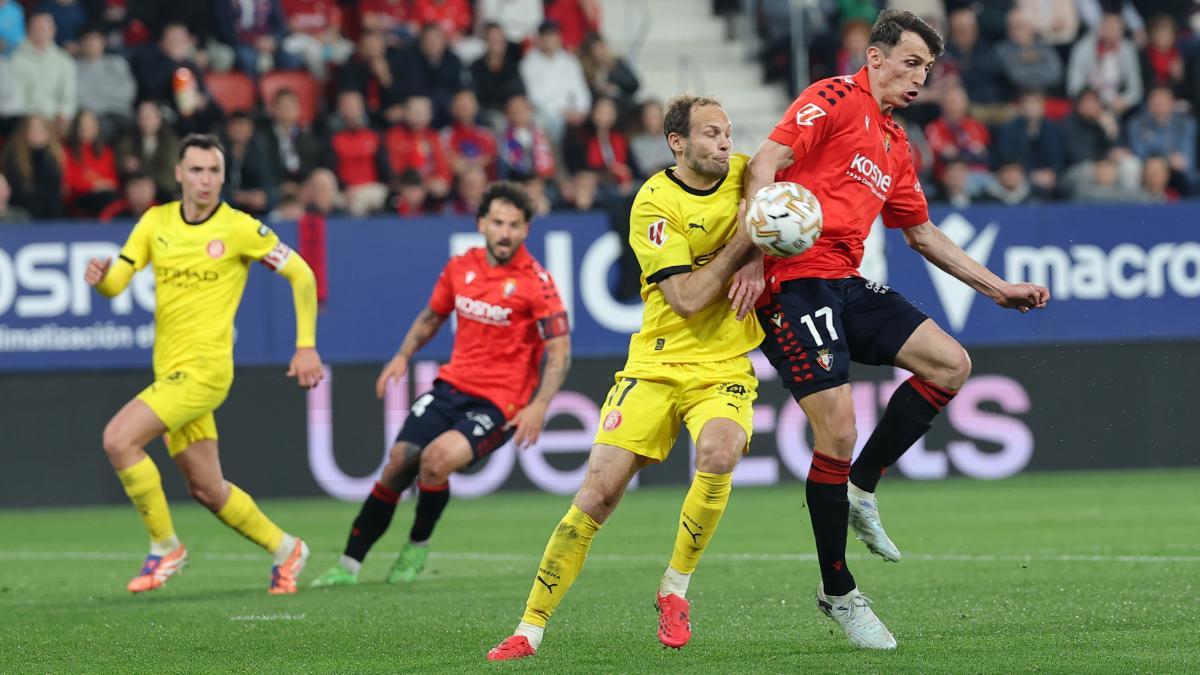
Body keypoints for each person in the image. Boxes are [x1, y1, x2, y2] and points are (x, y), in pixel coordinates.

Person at [743, 9, 1050, 650]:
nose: (920, 79)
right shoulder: (832, 97)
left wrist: (997, 289)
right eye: (911, 63)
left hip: (846, 282)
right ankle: (838, 591)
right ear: (875, 56)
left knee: (951, 363)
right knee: (839, 429)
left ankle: (862, 488)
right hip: (793, 283)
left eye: (928, 70)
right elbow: (765, 163)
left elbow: (920, 232)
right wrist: (753, 252)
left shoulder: (896, 143)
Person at [488, 94, 766, 661]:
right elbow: (686, 298)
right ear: (677, 143)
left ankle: (675, 588)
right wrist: (747, 241)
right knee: (598, 493)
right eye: (711, 133)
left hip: (723, 365)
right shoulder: (653, 203)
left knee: (721, 449)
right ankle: (530, 628)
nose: (725, 142)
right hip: (657, 364)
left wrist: (763, 255)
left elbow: (784, 189)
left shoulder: (748, 176)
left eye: (728, 132)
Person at [84, 134, 325, 594]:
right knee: (208, 489)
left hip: (206, 372)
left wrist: (306, 345)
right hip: (170, 373)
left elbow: (302, 273)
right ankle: (286, 548)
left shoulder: (239, 228)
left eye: (214, 171)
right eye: (196, 170)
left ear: (223, 177)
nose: (205, 180)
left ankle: (165, 547)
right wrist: (101, 279)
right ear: (178, 174)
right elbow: (118, 281)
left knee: (118, 440)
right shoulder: (155, 223)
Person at [310, 182, 571, 587]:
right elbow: (432, 317)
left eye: (514, 225)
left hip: (500, 404)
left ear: (526, 230)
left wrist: (538, 406)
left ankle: (415, 549)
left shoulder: (537, 282)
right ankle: (347, 566)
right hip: (451, 387)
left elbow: (559, 349)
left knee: (434, 460)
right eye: (498, 222)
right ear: (481, 223)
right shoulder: (460, 267)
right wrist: (401, 356)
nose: (505, 232)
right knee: (398, 462)